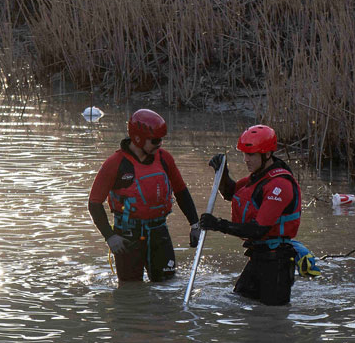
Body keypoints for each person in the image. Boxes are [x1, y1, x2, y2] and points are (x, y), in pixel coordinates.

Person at [87, 108, 202, 284]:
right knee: (131, 291)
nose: (160, 144)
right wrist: (110, 236)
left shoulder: (165, 159)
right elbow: (94, 204)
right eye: (155, 140)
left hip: (158, 232)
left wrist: (195, 224)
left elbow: (181, 192)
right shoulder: (115, 164)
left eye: (161, 139)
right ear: (138, 139)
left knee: (168, 286)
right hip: (127, 236)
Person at [197, 124, 306, 305]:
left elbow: (258, 230)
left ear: (267, 154)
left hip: (276, 263)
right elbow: (230, 192)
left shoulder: (280, 185)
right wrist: (222, 172)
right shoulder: (258, 176)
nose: (246, 159)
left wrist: (218, 224)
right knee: (238, 301)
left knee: (272, 316)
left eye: (251, 155)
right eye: (245, 154)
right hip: (258, 257)